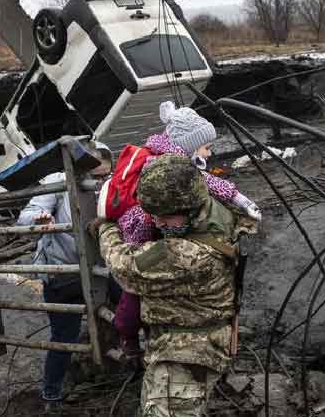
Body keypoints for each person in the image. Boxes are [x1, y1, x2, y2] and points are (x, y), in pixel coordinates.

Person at [97, 154, 254, 417]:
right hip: (191, 348)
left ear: (189, 208)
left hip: (183, 357)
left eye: (166, 217)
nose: (157, 223)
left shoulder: (186, 254)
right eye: (154, 215)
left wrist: (107, 228)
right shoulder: (216, 212)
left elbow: (123, 265)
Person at [111, 101, 260, 355]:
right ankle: (128, 338)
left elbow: (205, 181)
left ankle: (134, 334)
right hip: (142, 229)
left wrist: (238, 198)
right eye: (206, 147)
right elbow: (204, 181)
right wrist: (237, 198)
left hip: (157, 229)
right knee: (134, 286)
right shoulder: (165, 167)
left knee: (143, 285)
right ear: (189, 145)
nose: (209, 153)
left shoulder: (179, 163)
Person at [15, 141, 113, 410]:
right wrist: (40, 218)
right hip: (65, 273)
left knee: (127, 310)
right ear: (80, 170)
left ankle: (116, 364)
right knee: (64, 336)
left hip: (103, 270)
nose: (100, 182)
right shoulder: (59, 182)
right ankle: (51, 394)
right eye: (95, 176)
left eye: (105, 175)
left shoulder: (114, 185)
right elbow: (25, 216)